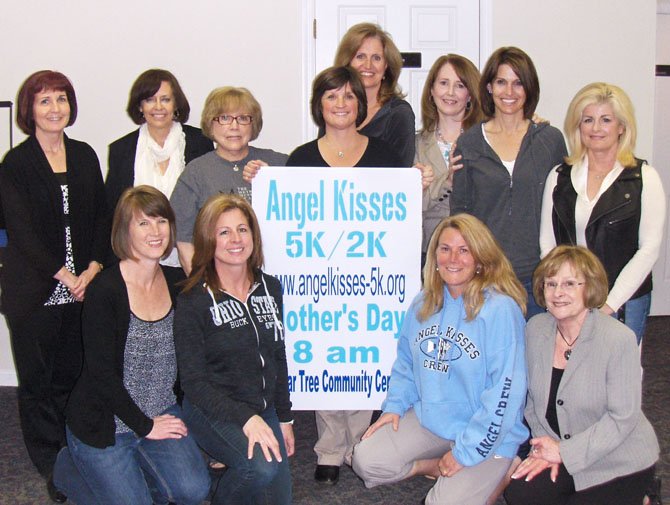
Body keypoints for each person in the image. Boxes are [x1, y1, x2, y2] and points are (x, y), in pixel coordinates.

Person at [352, 213, 529, 505]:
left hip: (489, 435)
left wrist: (465, 453)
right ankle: (433, 466)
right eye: (445, 249)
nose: (453, 258)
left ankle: (500, 470)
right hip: (433, 423)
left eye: (464, 250)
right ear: (434, 256)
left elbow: (504, 396)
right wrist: (394, 408)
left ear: (480, 259)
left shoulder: (500, 310)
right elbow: (406, 365)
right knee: (365, 459)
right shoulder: (423, 303)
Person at [53, 186, 210, 505]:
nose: (156, 231)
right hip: (104, 421)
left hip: (160, 409)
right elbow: (101, 376)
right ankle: (69, 469)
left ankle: (126, 475)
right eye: (143, 223)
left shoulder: (177, 282)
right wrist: (145, 426)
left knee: (194, 491)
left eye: (161, 221)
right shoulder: (105, 290)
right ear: (125, 231)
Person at [0, 70, 108, 502]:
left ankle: (76, 450)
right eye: (44, 101)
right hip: (35, 290)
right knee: (38, 382)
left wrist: (94, 267)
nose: (54, 108)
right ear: (30, 110)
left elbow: (103, 215)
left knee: (73, 375)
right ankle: (52, 464)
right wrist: (64, 274)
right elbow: (21, 231)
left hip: (83, 287)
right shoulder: (16, 163)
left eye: (61, 99)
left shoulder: (84, 155)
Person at [504, 245, 659, 505]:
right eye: (550, 284)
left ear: (589, 287)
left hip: (617, 457)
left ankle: (644, 496)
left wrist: (563, 453)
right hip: (559, 446)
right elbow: (533, 403)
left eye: (569, 284)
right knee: (521, 494)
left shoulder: (618, 339)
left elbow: (622, 419)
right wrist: (543, 450)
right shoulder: (535, 329)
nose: (558, 293)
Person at [174, 194, 294, 505]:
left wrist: (284, 419)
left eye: (243, 229)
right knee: (261, 469)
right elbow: (193, 382)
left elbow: (279, 356)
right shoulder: (193, 299)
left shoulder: (271, 288)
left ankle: (227, 474)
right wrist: (245, 418)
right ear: (208, 239)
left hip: (261, 408)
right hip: (211, 408)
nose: (235, 239)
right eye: (223, 232)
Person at [539, 82, 666, 344]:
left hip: (625, 300)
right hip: (569, 299)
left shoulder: (644, 178)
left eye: (605, 120)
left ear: (622, 126)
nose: (596, 128)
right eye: (588, 120)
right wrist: (563, 294)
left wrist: (609, 304)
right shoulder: (559, 177)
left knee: (620, 375)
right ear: (578, 126)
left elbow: (649, 249)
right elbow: (548, 244)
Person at [451, 46, 567, 318]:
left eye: (518, 83)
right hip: (486, 277)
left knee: (536, 358)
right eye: (501, 82)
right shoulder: (469, 143)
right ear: (489, 86)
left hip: (538, 277)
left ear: (529, 88)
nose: (509, 92)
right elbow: (460, 214)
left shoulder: (549, 140)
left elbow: (563, 210)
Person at [170, 86, 287, 274]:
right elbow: (184, 242)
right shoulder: (196, 173)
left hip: (278, 276)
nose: (234, 126)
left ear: (253, 124)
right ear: (211, 123)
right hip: (216, 281)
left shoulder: (278, 163)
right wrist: (205, 288)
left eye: (243, 118)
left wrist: (274, 180)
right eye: (224, 118)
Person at [105, 68, 214, 267]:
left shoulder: (201, 143)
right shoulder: (121, 150)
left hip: (191, 261)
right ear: (140, 106)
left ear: (176, 104)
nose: (158, 107)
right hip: (137, 263)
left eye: (165, 99)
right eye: (149, 100)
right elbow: (114, 212)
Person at [415, 54, 483, 262]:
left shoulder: (484, 141)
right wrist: (448, 183)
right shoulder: (414, 145)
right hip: (430, 251)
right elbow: (411, 205)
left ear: (470, 94)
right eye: (444, 83)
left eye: (460, 85)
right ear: (432, 90)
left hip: (477, 250)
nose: (450, 92)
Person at [333, 22, 416, 166]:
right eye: (360, 56)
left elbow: (402, 175)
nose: (368, 65)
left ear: (386, 66)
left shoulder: (399, 114)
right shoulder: (334, 108)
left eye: (376, 58)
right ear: (347, 62)